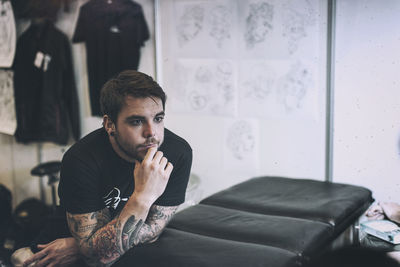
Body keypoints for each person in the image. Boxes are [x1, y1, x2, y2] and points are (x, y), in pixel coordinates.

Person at [19, 70, 193, 266]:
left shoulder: (178, 153)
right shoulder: (81, 159)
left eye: (158, 119)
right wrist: (143, 197)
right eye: (136, 121)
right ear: (109, 124)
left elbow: (153, 232)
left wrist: (82, 247)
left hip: (76, 246)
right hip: (60, 241)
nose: (151, 133)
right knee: (21, 259)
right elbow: (97, 260)